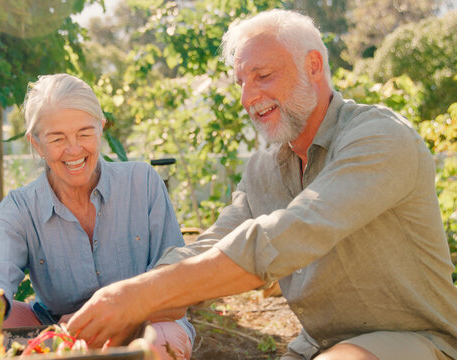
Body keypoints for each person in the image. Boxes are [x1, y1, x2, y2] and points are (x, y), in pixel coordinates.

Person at [66, 9, 457, 360]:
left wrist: (139, 297)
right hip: (318, 346)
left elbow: (292, 232)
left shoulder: (380, 137)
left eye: (263, 76)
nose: (248, 97)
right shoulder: (264, 169)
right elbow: (211, 244)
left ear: (314, 66)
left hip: (417, 341)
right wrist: (112, 307)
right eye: (240, 82)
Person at [0, 73, 195, 359]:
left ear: (101, 128)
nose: (74, 150)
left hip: (144, 322)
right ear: (37, 144)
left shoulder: (143, 183)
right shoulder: (19, 209)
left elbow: (175, 285)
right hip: (58, 329)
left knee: (162, 342)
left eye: (85, 133)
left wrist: (111, 316)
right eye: (57, 138)